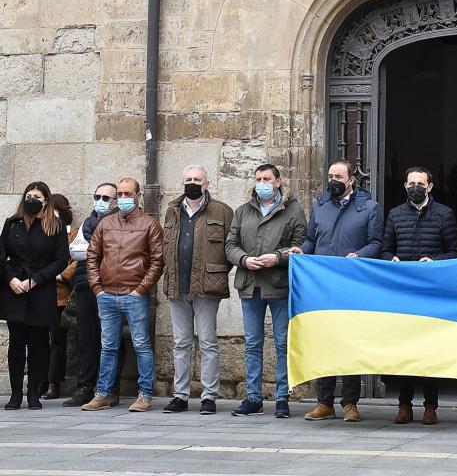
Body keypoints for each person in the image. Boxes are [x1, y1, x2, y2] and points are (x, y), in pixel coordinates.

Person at [295, 159, 383, 423]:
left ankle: (350, 403)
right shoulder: (320, 205)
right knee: (324, 343)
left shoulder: (369, 207)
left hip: (353, 285)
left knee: (349, 343)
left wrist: (360, 254)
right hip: (322, 285)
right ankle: (324, 402)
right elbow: (311, 239)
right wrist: (303, 250)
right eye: (330, 175)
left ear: (351, 180)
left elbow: (377, 243)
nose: (333, 180)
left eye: (338, 176)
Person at [225, 164, 307, 418]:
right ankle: (253, 397)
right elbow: (230, 245)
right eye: (259, 178)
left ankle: (282, 397)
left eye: (267, 179)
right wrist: (244, 260)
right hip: (250, 284)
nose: (262, 182)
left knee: (282, 342)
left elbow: (301, 244)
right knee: (253, 343)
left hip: (279, 284)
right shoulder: (242, 211)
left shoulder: (293, 210)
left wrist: (278, 257)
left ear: (278, 181)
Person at [381, 166, 457, 425]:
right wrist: (390, 258)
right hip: (402, 293)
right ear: (405, 186)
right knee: (404, 350)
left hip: (431, 292)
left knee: (429, 351)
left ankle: (430, 407)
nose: (416, 187)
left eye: (420, 183)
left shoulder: (444, 214)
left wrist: (434, 261)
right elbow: (384, 249)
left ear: (430, 186)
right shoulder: (394, 215)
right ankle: (404, 405)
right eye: (411, 183)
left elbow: (455, 252)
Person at [82, 177, 165, 413]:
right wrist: (97, 288)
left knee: (141, 344)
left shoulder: (150, 224)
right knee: (108, 346)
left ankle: (145, 395)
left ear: (138, 196)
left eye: (128, 194)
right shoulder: (105, 223)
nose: (124, 199)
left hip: (134, 294)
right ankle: (103, 394)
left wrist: (141, 290)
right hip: (107, 294)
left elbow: (158, 262)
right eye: (120, 194)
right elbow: (92, 257)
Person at [161, 165, 234, 415]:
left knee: (208, 342)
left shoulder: (222, 211)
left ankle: (209, 396)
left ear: (207, 184)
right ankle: (180, 395)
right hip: (177, 285)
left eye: (197, 179)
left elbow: (230, 248)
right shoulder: (171, 211)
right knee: (180, 342)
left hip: (206, 286)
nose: (192, 183)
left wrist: (217, 274)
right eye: (188, 179)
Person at [0, 182, 70, 410]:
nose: (31, 199)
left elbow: (61, 260)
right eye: (28, 195)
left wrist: (36, 280)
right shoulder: (12, 224)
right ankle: (16, 393)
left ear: (46, 200)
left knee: (39, 343)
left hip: (40, 288)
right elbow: (2, 256)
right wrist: (11, 279)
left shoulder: (55, 226)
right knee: (17, 342)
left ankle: (33, 393)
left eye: (36, 196)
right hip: (15, 288)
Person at [62, 183, 125, 408]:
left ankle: (109, 389)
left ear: (116, 201)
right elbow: (75, 252)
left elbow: (119, 252)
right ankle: (85, 387)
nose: (101, 201)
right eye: (97, 196)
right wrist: (98, 249)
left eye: (106, 197)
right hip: (84, 285)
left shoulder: (121, 222)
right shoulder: (87, 223)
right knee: (86, 339)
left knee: (110, 339)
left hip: (110, 285)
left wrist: (92, 249)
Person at [41, 194, 79, 399]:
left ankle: (54, 382)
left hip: (59, 295)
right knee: (38, 340)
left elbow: (76, 261)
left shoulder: (73, 235)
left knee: (57, 340)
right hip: (38, 293)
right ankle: (40, 380)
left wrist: (58, 275)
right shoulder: (41, 232)